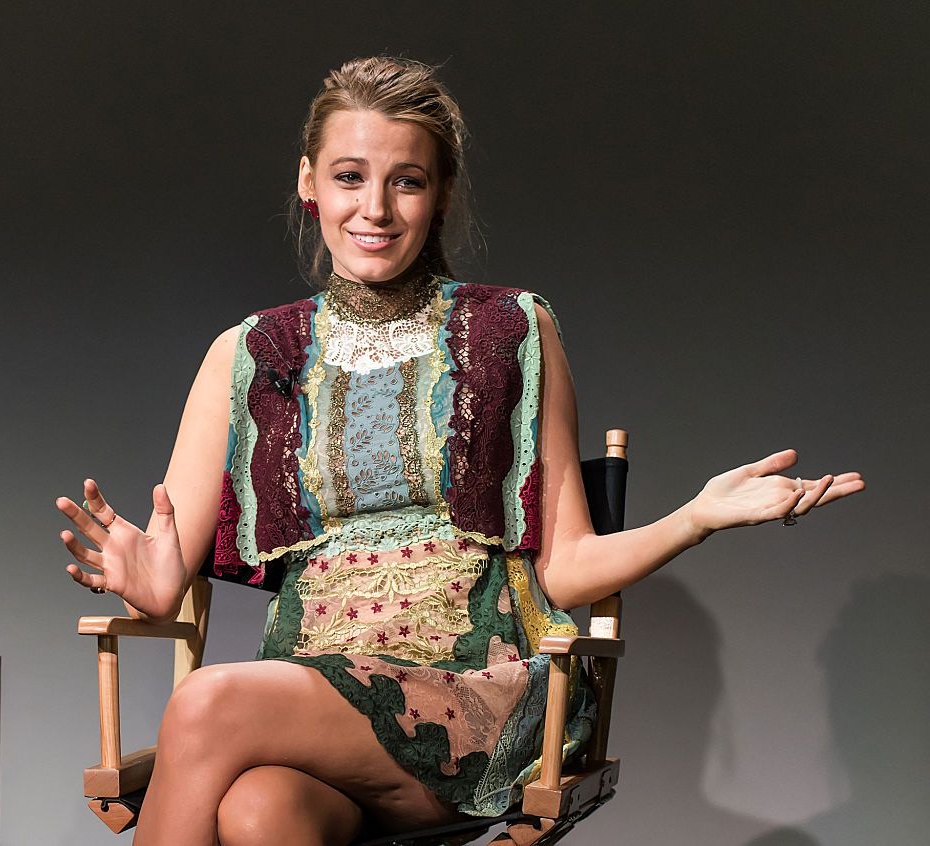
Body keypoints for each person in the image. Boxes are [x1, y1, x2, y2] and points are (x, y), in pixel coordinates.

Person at [55, 56, 864, 846]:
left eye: (405, 180)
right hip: (308, 697)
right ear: (309, 183)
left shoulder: (510, 329)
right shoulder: (251, 352)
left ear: (439, 196)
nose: (374, 208)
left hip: (476, 695)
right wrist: (150, 580)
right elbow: (167, 571)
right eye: (348, 177)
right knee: (260, 817)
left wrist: (696, 517)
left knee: (204, 706)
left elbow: (567, 564)